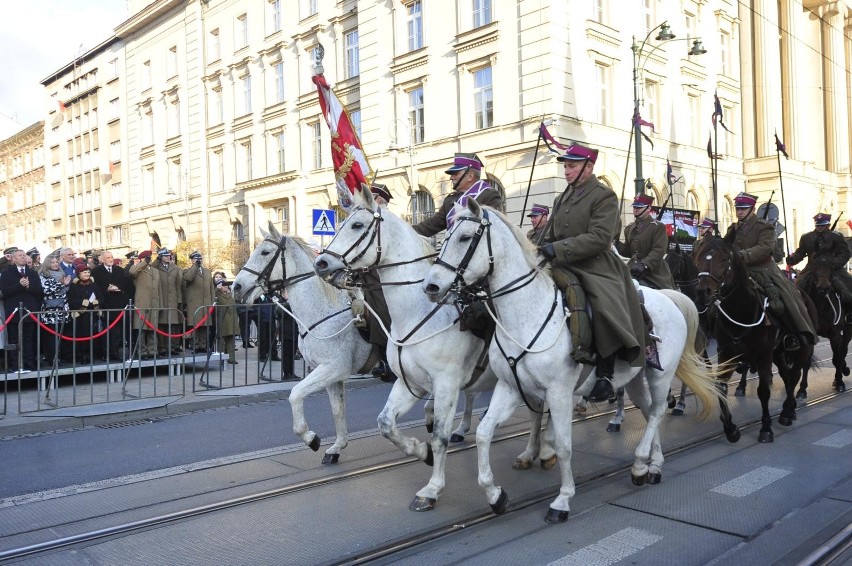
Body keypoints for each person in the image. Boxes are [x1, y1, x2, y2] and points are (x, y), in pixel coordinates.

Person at [539, 143, 646, 402]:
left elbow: (600, 238)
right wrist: (538, 249)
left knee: (600, 304)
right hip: (564, 262)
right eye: (565, 166)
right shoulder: (561, 196)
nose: (566, 171)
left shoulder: (603, 196)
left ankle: (605, 374)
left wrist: (559, 248)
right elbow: (550, 233)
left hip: (595, 265)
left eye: (572, 166)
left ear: (588, 167)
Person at [726, 192, 816, 349]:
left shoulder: (764, 226)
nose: (739, 211)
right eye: (738, 208)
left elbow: (765, 247)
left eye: (743, 208)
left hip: (763, 268)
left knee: (782, 298)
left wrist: (741, 255)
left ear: (752, 209)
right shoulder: (733, 228)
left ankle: (795, 334)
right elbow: (726, 245)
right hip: (740, 269)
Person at [412, 152, 504, 237]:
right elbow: (429, 226)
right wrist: (406, 230)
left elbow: (496, 229)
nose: (451, 177)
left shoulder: (489, 195)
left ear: (470, 176)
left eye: (456, 173)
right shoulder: (450, 201)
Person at [786, 212, 852, 322]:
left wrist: (834, 263)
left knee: (848, 285)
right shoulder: (806, 238)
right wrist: (793, 259)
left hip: (833, 268)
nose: (820, 228)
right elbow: (801, 252)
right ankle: (796, 316)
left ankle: (849, 314)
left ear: (828, 225)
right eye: (818, 225)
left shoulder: (836, 237)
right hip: (812, 268)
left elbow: (845, 253)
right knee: (797, 288)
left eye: (823, 225)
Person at [361, 183, 397, 381]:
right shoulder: (368, 220)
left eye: (371, 197)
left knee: (379, 312)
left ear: (379, 200)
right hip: (363, 277)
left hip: (382, 278)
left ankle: (384, 359)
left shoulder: (387, 221)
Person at [617, 193, 675, 290]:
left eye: (639, 207)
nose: (635, 209)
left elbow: (658, 250)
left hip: (654, 273)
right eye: (634, 207)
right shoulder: (629, 228)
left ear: (648, 208)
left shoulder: (657, 227)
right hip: (633, 269)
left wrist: (645, 264)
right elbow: (629, 251)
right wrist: (617, 244)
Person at [0, 248, 45, 371]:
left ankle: (28, 363)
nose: (23, 257)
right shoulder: (6, 274)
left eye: (24, 255)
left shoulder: (32, 273)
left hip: (29, 310)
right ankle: (15, 364)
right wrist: (19, 285)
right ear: (14, 259)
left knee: (28, 339)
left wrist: (28, 286)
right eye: (20, 255)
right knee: (14, 339)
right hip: (13, 311)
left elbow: (39, 291)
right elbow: (5, 292)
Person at [92, 250, 132, 361]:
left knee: (116, 331)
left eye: (111, 257)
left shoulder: (119, 270)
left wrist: (118, 287)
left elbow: (125, 283)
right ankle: (106, 353)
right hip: (105, 304)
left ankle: (114, 352)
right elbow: (95, 287)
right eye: (108, 257)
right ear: (102, 259)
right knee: (105, 331)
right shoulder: (96, 271)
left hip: (118, 304)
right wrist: (107, 289)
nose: (110, 259)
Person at [66, 264, 104, 364]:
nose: (87, 274)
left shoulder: (93, 285)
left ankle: (92, 354)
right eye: (84, 272)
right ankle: (82, 355)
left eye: (88, 272)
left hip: (93, 314)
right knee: (82, 336)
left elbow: (101, 297)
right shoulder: (74, 286)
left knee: (93, 335)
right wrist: (82, 302)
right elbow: (71, 300)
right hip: (81, 315)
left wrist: (96, 302)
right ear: (79, 274)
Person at [38, 254, 71, 366]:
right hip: (50, 311)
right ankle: (52, 358)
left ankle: (59, 357)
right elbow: (47, 290)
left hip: (62, 308)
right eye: (52, 262)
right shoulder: (43, 275)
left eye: (57, 262)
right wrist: (62, 284)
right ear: (47, 263)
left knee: (60, 335)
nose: (56, 264)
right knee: (51, 336)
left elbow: (66, 289)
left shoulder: (62, 273)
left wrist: (65, 285)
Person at [129, 250, 160, 359]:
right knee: (141, 329)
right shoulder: (137, 268)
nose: (149, 259)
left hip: (154, 302)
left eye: (150, 257)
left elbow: (158, 288)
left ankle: (152, 350)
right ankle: (141, 352)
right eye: (147, 257)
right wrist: (143, 263)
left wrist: (159, 303)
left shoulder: (155, 271)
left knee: (153, 328)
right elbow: (132, 273)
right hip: (142, 303)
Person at [182, 251, 215, 353]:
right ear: (192, 260)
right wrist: (195, 267)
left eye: (200, 259)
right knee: (196, 325)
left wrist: (212, 302)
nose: (198, 260)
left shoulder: (207, 271)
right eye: (196, 259)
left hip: (206, 303)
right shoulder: (187, 271)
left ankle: (204, 345)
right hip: (194, 303)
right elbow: (188, 278)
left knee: (205, 326)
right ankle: (195, 345)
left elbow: (211, 288)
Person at [154, 248, 183, 355]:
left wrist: (179, 300)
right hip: (162, 299)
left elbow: (178, 285)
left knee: (171, 325)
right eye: (165, 256)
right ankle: (161, 348)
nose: (168, 257)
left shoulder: (174, 268)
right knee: (162, 325)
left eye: (169, 255)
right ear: (160, 257)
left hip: (173, 300)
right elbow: (152, 266)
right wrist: (157, 258)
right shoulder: (156, 267)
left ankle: (170, 347)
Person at [214, 279, 238, 364]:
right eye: (224, 286)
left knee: (231, 341)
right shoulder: (217, 295)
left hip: (231, 320)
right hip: (223, 320)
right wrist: (217, 288)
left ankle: (231, 358)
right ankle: (221, 358)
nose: (226, 287)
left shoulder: (230, 294)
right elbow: (212, 296)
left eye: (226, 285)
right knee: (221, 341)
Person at [278, 290, 299, 380]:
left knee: (292, 353)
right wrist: (288, 303)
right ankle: (286, 373)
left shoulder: (294, 302)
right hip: (286, 332)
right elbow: (278, 312)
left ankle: (291, 372)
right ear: (283, 294)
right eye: (287, 293)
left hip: (294, 331)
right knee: (286, 354)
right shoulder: (280, 302)